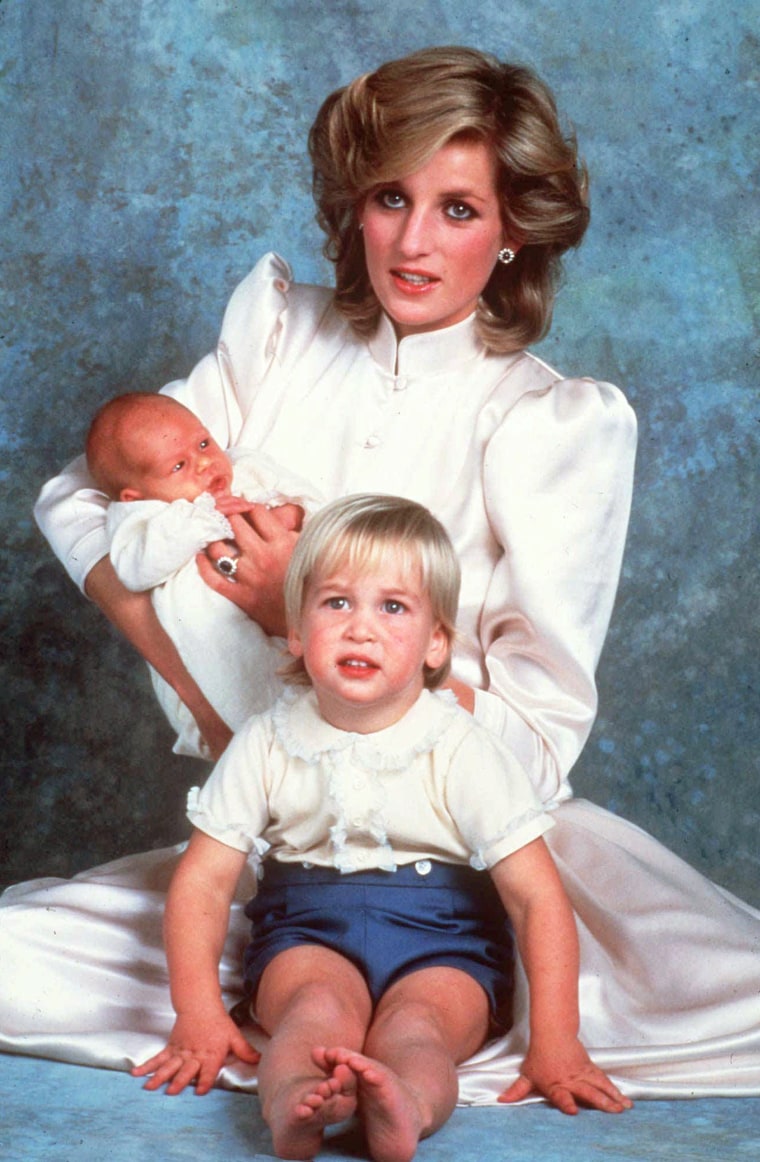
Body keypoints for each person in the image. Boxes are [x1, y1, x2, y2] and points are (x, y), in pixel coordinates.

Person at [4, 46, 760, 1102]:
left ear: (511, 235)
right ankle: (300, 1031)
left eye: (458, 209)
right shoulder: (277, 336)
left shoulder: (550, 421)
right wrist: (220, 706)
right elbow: (84, 499)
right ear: (351, 204)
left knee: (726, 999)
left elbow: (536, 740)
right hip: (274, 837)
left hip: (477, 856)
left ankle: (427, 1033)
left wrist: (287, 615)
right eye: (390, 197)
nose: (412, 241)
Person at [132, 495, 631, 1160]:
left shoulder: (462, 746)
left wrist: (556, 1041)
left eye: (392, 607)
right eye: (337, 603)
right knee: (312, 1014)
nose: (360, 629)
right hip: (307, 931)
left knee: (419, 1030)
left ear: (435, 644)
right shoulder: (267, 741)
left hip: (445, 943)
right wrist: (197, 1013)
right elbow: (202, 883)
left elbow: (536, 898)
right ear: (297, 632)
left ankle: (405, 1106)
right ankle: (294, 1107)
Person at [85, 392, 323, 758]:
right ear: (134, 496)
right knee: (253, 703)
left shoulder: (245, 466)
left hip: (289, 612)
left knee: (312, 690)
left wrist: (289, 514)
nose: (204, 464)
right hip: (210, 642)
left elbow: (314, 500)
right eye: (179, 467)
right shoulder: (141, 517)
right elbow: (135, 569)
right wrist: (205, 519)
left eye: (203, 442)